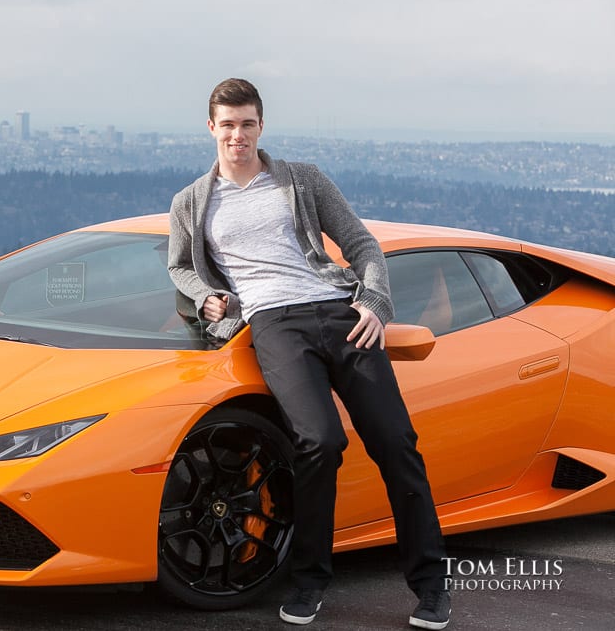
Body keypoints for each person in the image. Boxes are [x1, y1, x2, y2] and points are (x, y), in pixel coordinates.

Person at [167, 78, 451, 629]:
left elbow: (361, 242)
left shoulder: (301, 179)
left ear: (261, 126)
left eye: (247, 123)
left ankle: (432, 585)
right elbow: (180, 265)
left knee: (397, 444)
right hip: (274, 324)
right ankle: (310, 581)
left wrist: (373, 302)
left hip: (341, 316)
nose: (237, 135)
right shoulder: (192, 202)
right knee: (318, 441)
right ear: (211, 128)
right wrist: (207, 300)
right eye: (227, 125)